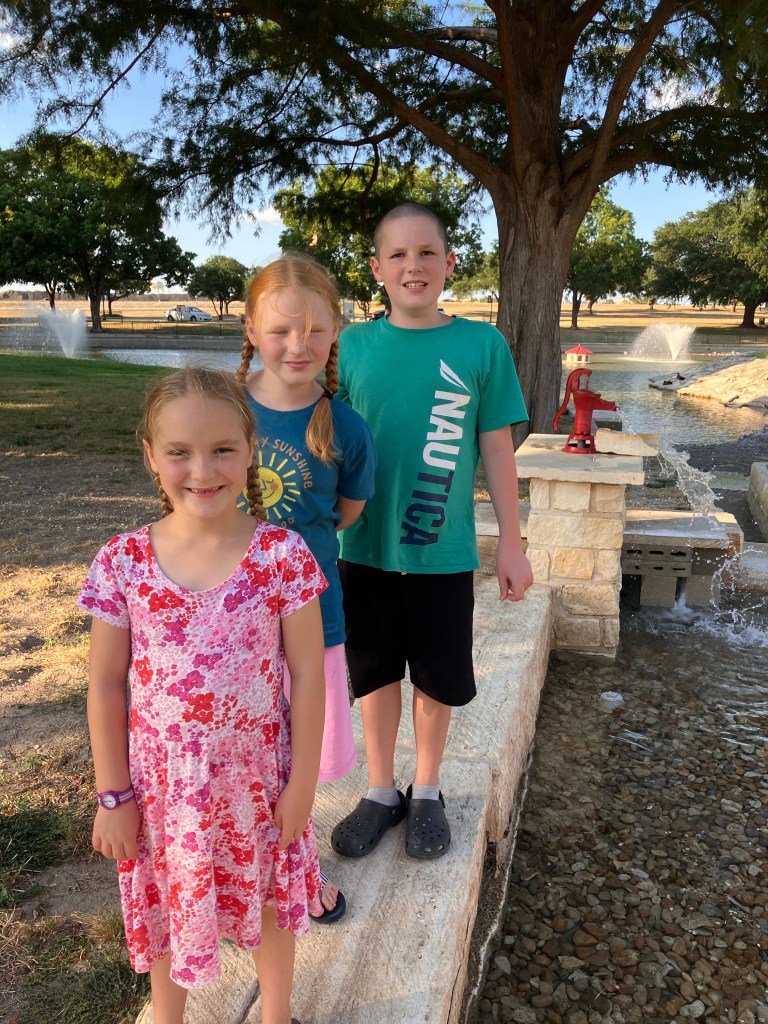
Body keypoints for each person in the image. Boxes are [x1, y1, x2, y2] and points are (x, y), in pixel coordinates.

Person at [78, 368, 326, 1024]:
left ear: (250, 449)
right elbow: (104, 683)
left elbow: (308, 674)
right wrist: (113, 794)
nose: (203, 470)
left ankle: (276, 1015)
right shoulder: (123, 562)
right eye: (180, 452)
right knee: (169, 908)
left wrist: (302, 784)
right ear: (151, 456)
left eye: (222, 450)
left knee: (269, 903)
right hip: (163, 794)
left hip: (257, 782)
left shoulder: (283, 556)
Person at [331, 202, 533, 861]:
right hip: (363, 547)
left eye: (426, 253)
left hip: (441, 552)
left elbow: (497, 449)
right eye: (397, 254)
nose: (412, 266)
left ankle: (426, 789)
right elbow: (323, 442)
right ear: (376, 269)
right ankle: (380, 790)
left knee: (435, 677)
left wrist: (511, 543)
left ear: (449, 263)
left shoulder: (481, 346)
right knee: (374, 673)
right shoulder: (350, 347)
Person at [236, 254, 376, 920]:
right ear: (250, 330)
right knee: (240, 751)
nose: (299, 345)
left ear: (335, 332)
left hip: (312, 619)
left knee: (299, 755)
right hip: (229, 622)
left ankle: (300, 864)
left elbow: (345, 514)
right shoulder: (224, 411)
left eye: (316, 331)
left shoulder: (346, 427)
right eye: (280, 330)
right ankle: (241, 865)